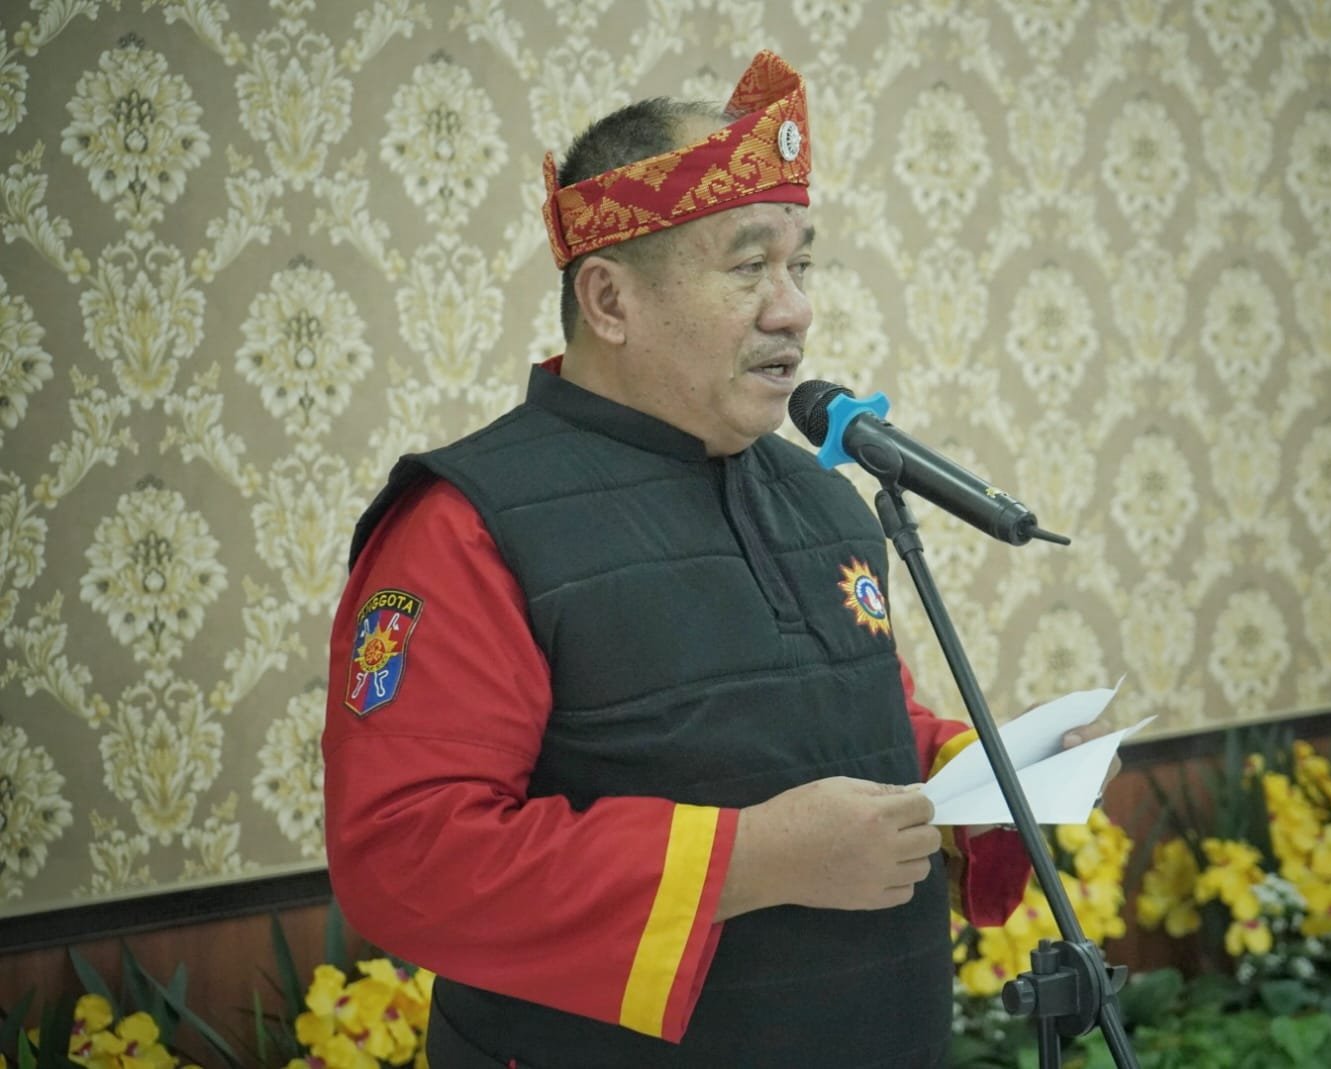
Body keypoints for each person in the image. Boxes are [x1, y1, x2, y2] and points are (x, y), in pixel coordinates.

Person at [323, 50, 1108, 1068]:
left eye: (800, 264)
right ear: (609, 301)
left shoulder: (824, 500)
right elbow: (408, 857)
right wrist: (747, 861)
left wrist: (985, 776)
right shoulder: (467, 525)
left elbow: (856, 723)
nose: (794, 309)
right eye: (748, 267)